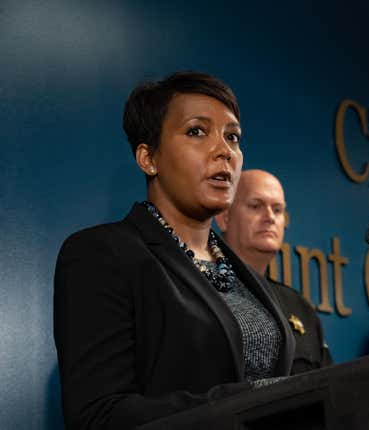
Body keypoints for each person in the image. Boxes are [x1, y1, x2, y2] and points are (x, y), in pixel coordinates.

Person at [53, 72, 296, 430]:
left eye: (233, 137)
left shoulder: (241, 271)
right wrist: (248, 401)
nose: (224, 151)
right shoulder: (100, 253)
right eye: (197, 131)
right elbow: (98, 414)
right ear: (148, 158)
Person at [215, 169, 333, 373]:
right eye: (255, 206)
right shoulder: (204, 291)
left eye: (277, 210)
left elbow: (331, 386)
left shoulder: (299, 307)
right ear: (224, 217)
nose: (270, 217)